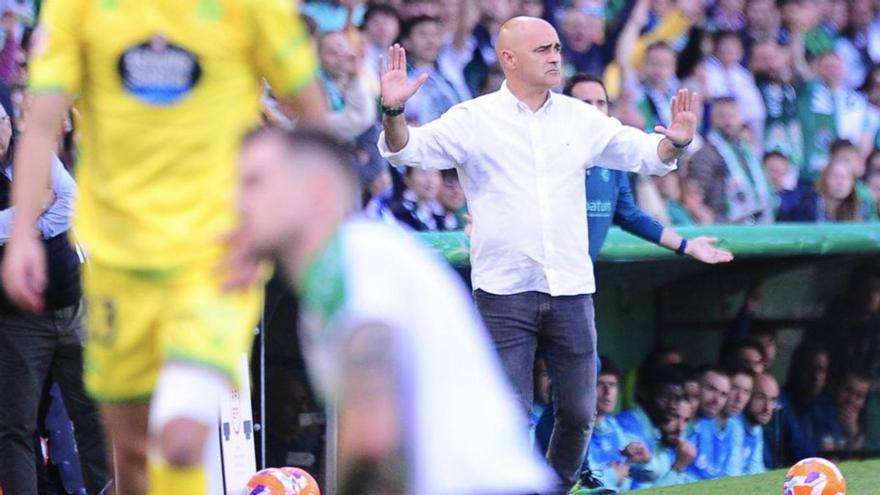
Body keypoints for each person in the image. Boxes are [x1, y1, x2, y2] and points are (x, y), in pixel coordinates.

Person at [0, 1, 328, 493]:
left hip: (211, 262)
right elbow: (41, 122)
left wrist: (281, 222)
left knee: (179, 437)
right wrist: (23, 233)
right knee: (133, 459)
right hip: (117, 269)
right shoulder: (78, 10)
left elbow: (314, 118)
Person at [377, 15, 700, 491]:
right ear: (508, 59)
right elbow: (406, 149)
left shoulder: (580, 117)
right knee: (507, 416)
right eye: (543, 49)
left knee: (579, 413)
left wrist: (676, 143)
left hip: (571, 288)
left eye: (556, 48)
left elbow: (645, 154)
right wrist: (392, 110)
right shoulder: (473, 118)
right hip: (503, 292)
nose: (555, 57)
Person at [235, 127, 554, 495]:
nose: (239, 199)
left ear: (316, 191)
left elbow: (374, 433)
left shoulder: (351, 257)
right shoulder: (334, 276)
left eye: (255, 182)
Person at [0, 98, 108, 494]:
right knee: (16, 426)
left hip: (72, 306)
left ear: (9, 123)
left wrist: (22, 227)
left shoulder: (34, 152)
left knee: (94, 417)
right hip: (18, 321)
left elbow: (71, 204)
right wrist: (35, 210)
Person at [564, 73, 734, 265]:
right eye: (586, 103)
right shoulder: (552, 155)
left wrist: (687, 246)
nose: (594, 110)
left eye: (601, 103)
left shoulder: (611, 161)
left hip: (581, 279)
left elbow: (630, 215)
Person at [687, 97, 775, 224]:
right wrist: (708, 219)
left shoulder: (748, 153)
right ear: (712, 119)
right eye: (722, 116)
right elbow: (694, 196)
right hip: (724, 225)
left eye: (732, 116)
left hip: (758, 223)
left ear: (741, 119)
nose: (728, 122)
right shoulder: (704, 155)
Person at [583, 358, 633, 492]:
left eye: (612, 385)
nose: (607, 392)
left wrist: (642, 459)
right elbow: (580, 485)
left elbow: (631, 471)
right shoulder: (574, 429)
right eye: (600, 384)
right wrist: (613, 476)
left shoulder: (613, 425)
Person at [686, 367, 740, 480]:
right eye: (711, 389)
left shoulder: (723, 428)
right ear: (697, 388)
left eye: (723, 394)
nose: (716, 400)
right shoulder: (678, 426)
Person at [744, 373, 780, 474]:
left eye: (773, 400)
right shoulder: (734, 424)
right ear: (748, 396)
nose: (767, 408)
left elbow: (756, 470)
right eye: (760, 398)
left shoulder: (757, 429)